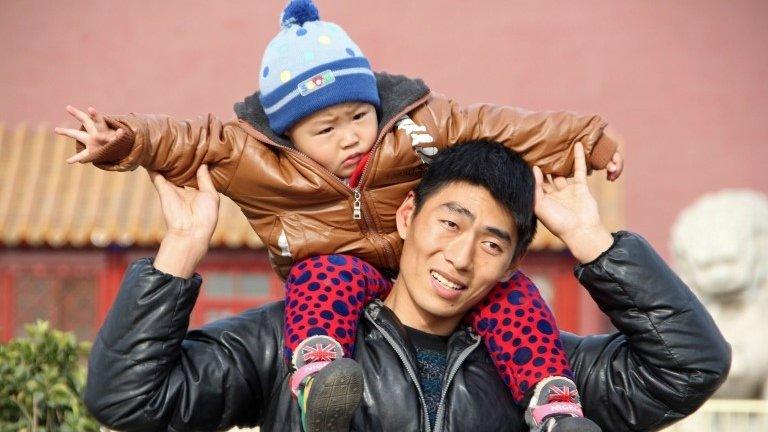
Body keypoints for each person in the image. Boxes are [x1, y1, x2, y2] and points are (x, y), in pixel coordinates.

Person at [56, 1, 625, 429]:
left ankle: (552, 404)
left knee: (518, 296)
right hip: (334, 274)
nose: (352, 138)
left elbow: (504, 127)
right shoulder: (253, 159)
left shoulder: (416, 130)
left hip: (428, 288)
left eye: (359, 116)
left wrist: (587, 141)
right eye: (325, 130)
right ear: (287, 136)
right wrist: (124, 144)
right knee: (324, 275)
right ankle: (319, 372)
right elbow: (185, 140)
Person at [84, 141, 729, 432]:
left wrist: (591, 240)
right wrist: (179, 251)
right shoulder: (294, 342)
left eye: (493, 243)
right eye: (451, 222)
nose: (460, 256)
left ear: (508, 268)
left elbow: (689, 368)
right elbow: (129, 400)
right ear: (406, 219)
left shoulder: (541, 372)